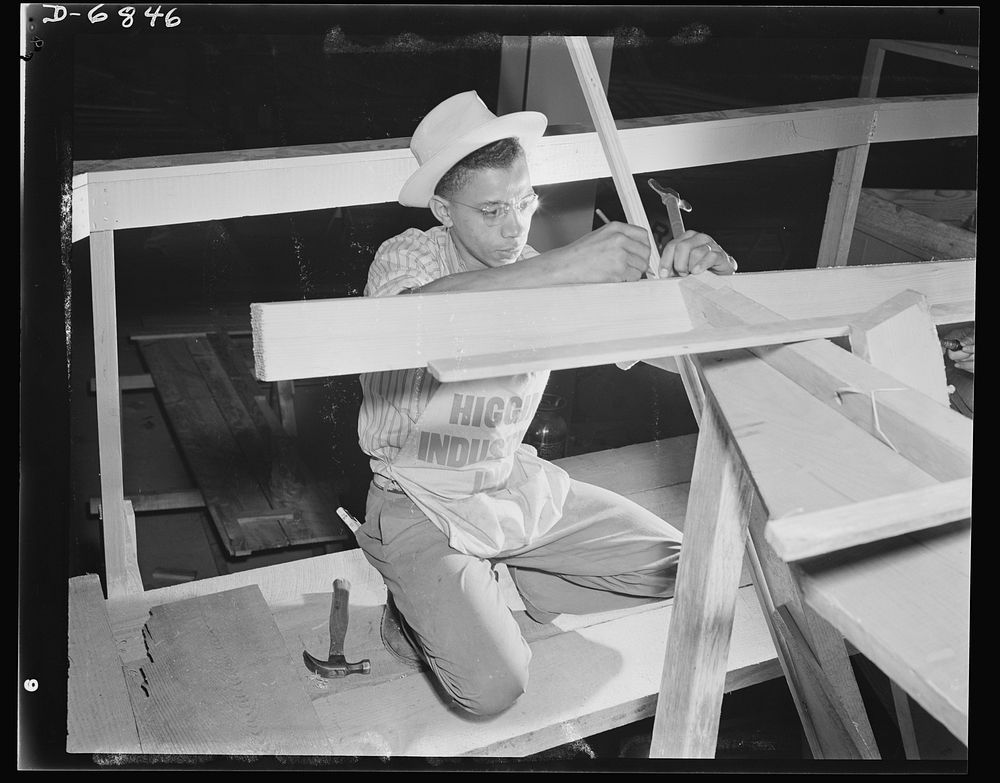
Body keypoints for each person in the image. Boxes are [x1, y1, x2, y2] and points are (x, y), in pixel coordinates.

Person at [354, 91, 737, 716]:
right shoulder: (411, 255)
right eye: (491, 209)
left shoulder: (542, 268)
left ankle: (520, 570)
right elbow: (412, 317)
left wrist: (704, 291)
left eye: (524, 201)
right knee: (491, 692)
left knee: (684, 570)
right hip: (419, 501)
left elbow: (673, 358)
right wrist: (568, 265)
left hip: (508, 487)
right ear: (444, 209)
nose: (514, 227)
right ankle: (417, 610)